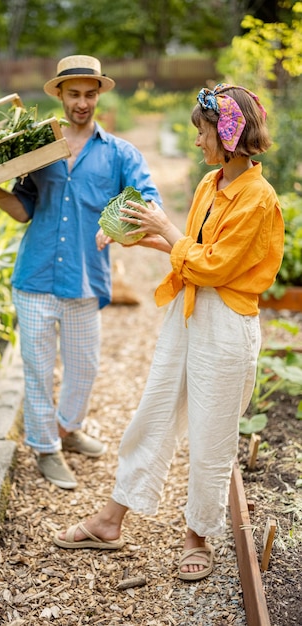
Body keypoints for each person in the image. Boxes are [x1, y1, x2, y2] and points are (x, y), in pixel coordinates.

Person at [53, 83, 284, 581]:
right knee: (153, 410)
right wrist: (140, 237)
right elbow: (192, 256)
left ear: (228, 136)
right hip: (190, 309)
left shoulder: (259, 199)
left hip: (226, 323)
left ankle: (197, 534)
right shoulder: (210, 184)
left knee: (211, 435)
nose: (196, 140)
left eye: (202, 132)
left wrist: (166, 226)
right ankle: (112, 519)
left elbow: (216, 266)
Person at [0, 55, 162, 490]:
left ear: (98, 94)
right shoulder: (38, 148)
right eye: (73, 94)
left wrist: (116, 225)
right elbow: (23, 210)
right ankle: (45, 448)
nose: (81, 103)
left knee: (84, 366)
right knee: (38, 368)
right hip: (35, 276)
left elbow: (147, 199)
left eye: (89, 94)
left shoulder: (120, 153)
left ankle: (68, 427)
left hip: (86, 278)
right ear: (60, 96)